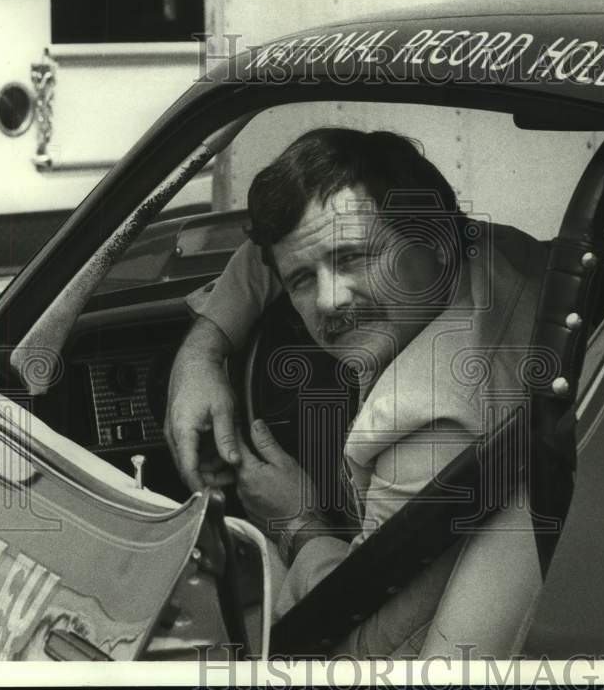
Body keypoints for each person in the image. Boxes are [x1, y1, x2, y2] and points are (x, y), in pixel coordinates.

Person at [165, 128, 546, 655]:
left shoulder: (422, 428)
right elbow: (282, 246)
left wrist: (298, 523)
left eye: (352, 259)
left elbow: (363, 645)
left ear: (432, 242)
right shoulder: (499, 251)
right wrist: (202, 352)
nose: (328, 300)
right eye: (301, 280)